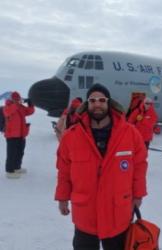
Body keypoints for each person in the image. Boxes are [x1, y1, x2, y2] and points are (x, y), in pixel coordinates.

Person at [55, 83, 148, 250]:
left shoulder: (130, 133)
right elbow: (64, 170)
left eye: (101, 100)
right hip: (85, 213)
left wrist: (139, 193)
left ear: (108, 103)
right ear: (87, 104)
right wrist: (62, 197)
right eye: (92, 100)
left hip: (117, 212)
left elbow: (140, 166)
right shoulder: (71, 136)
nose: (97, 104)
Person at [3, 91, 35, 178]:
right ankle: (9, 171)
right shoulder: (7, 107)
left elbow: (29, 112)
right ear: (12, 99)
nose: (18, 100)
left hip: (21, 134)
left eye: (18, 99)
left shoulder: (20, 107)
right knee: (11, 154)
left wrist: (31, 104)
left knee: (20, 152)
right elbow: (8, 112)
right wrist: (17, 104)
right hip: (11, 135)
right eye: (16, 99)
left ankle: (17, 167)